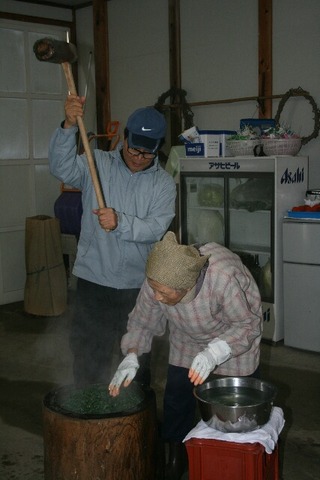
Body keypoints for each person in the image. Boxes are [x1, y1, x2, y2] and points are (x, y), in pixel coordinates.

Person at [109, 231, 263, 480]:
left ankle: (232, 461)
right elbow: (142, 322)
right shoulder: (158, 280)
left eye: (163, 293)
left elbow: (247, 326)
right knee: (177, 398)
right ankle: (176, 457)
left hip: (233, 335)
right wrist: (132, 355)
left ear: (186, 287)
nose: (156, 296)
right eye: (153, 289)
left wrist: (215, 352)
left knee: (233, 409)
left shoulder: (222, 277)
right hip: (186, 336)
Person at [48, 95, 176, 387]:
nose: (138, 157)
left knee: (135, 361)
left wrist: (121, 222)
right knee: (87, 356)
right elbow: (60, 167)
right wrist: (68, 126)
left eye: (147, 154)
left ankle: (134, 426)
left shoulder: (163, 184)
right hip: (93, 282)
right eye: (133, 149)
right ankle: (87, 419)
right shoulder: (98, 164)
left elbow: (156, 229)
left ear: (157, 149)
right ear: (124, 138)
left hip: (136, 289)